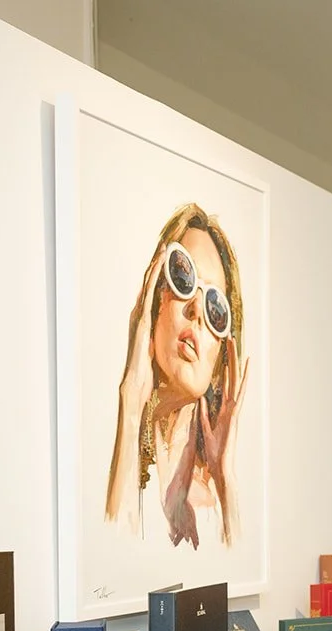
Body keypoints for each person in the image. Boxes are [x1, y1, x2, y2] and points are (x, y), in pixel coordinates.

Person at [106, 203, 250, 550]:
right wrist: (132, 398)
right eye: (183, 278)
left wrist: (224, 477)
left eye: (216, 306)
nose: (198, 309)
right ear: (152, 302)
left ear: (223, 353)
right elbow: (111, 551)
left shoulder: (213, 505)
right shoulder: (108, 445)